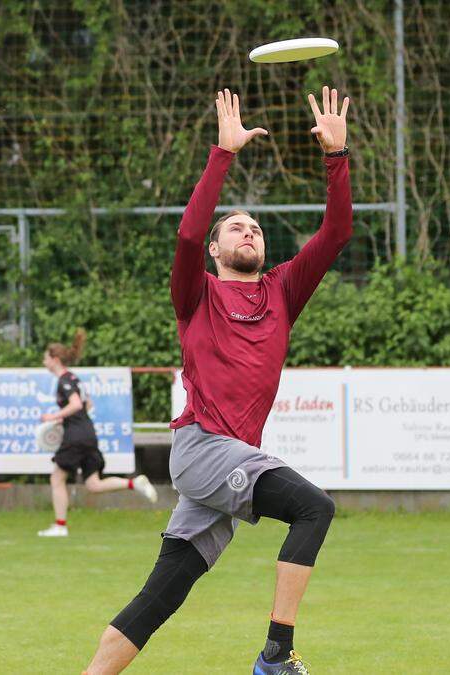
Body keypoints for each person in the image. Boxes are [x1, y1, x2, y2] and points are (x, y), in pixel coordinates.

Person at [83, 86, 352, 675]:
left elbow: (334, 235)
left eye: (254, 226)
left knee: (163, 593)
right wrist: (221, 156)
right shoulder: (196, 292)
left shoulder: (282, 289)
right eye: (234, 227)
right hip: (205, 448)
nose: (247, 231)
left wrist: (337, 157)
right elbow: (184, 237)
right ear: (215, 249)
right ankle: (276, 657)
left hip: (229, 458)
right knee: (314, 508)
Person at [37, 329, 157, 537]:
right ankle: (133, 483)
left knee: (57, 478)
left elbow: (75, 404)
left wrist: (54, 417)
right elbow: (87, 403)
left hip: (76, 436)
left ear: (55, 359)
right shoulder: (74, 378)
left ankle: (60, 526)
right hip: (87, 433)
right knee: (93, 484)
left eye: (46, 358)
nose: (43, 361)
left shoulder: (64, 380)